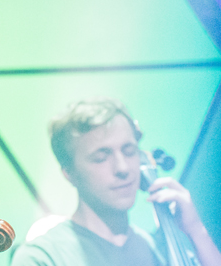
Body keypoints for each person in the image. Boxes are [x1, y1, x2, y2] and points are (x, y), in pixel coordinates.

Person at [11, 98, 221, 266]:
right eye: (101, 157)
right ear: (69, 173)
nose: (123, 168)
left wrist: (196, 231)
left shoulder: (158, 250)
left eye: (129, 151)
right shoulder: (42, 257)